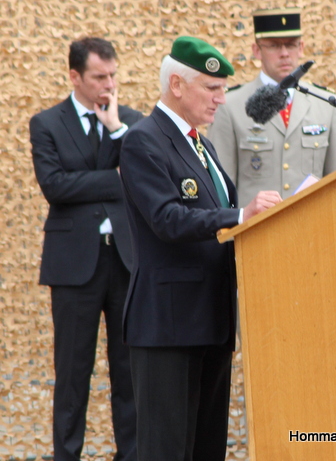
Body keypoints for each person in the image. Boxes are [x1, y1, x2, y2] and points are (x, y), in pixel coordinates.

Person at [119, 36, 280, 461]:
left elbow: (221, 217)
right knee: (167, 450)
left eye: (223, 88)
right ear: (176, 85)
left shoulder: (201, 145)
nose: (222, 99)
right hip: (168, 325)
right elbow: (168, 220)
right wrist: (240, 216)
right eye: (212, 88)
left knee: (207, 448)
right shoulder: (143, 141)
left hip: (210, 317)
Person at [30, 37, 143, 461]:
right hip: (74, 266)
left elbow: (145, 175)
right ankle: (67, 455)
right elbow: (54, 186)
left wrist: (116, 130)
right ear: (75, 76)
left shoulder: (130, 122)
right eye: (99, 77)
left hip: (127, 262)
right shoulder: (47, 123)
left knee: (130, 372)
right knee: (73, 375)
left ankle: (130, 455)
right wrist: (115, 179)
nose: (108, 85)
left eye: (113, 75)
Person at [208, 7, 336, 204]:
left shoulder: (326, 104)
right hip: (257, 230)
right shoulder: (231, 106)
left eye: (290, 45)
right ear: (257, 50)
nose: (284, 54)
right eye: (274, 45)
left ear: (301, 48)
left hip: (312, 227)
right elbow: (221, 189)